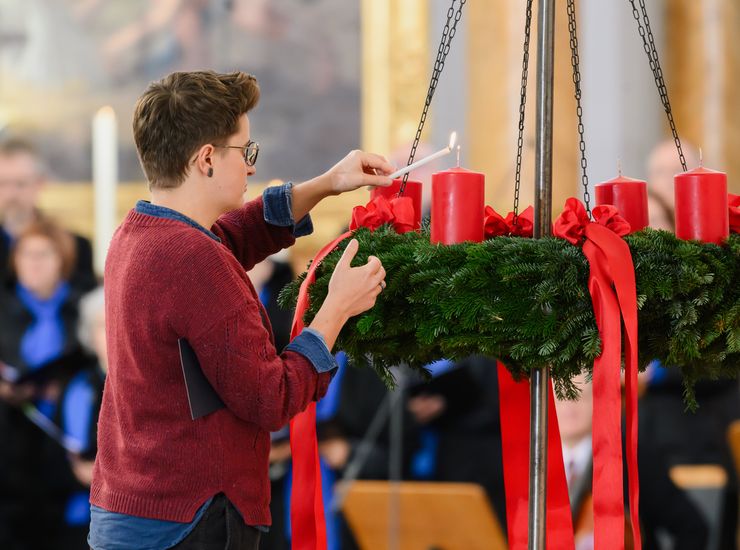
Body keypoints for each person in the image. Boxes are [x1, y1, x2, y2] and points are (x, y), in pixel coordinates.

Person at [88, 70, 392, 550]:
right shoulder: (193, 258)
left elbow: (233, 235)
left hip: (139, 506)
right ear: (206, 159)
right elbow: (271, 399)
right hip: (192, 517)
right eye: (245, 151)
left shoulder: (140, 232)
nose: (251, 167)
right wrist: (335, 310)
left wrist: (330, 182)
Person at [0, 219, 87, 549]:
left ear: (62, 259)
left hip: (66, 440)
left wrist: (63, 386)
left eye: (43, 254)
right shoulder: (4, 307)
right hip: (12, 440)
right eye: (26, 254)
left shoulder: (83, 305)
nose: (33, 263)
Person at [0, 138, 96, 292]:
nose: (11, 194)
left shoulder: (76, 247)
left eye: (20, 184)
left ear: (40, 183)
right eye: (2, 183)